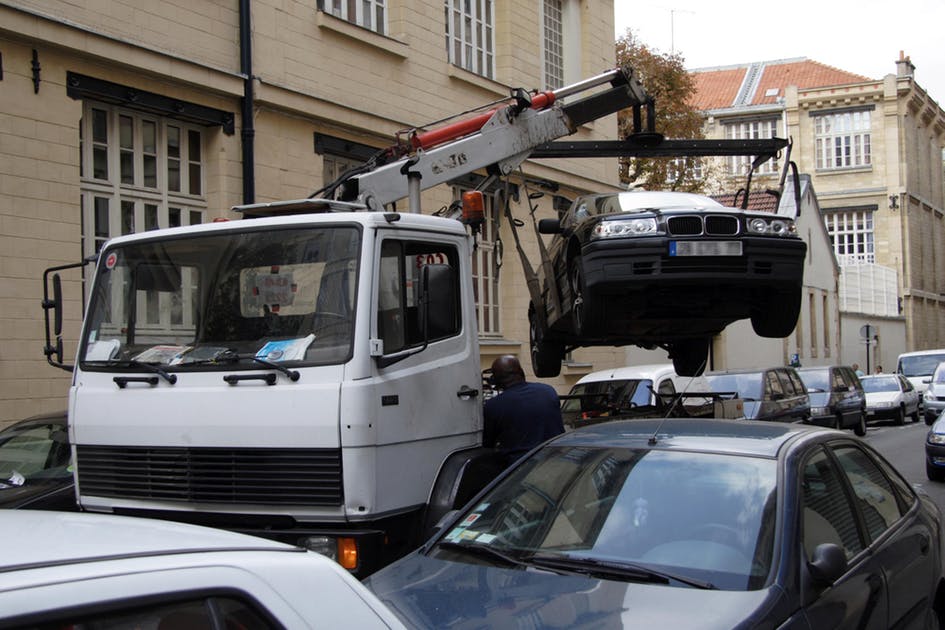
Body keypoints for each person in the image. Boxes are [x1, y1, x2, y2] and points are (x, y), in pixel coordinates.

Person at [482, 355, 565, 465]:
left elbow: (488, 444)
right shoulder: (548, 390)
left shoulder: (493, 405)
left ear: (496, 380)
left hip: (521, 469)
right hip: (558, 458)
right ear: (521, 372)